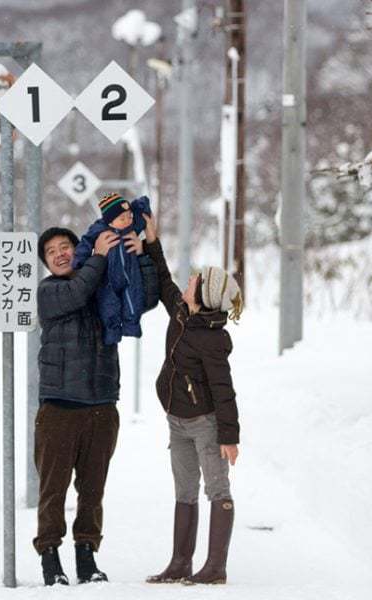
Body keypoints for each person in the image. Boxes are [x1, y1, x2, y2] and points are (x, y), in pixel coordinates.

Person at [33, 225, 159, 586]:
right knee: (53, 489)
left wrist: (142, 254)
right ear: (45, 262)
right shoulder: (50, 291)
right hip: (59, 407)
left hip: (102, 406)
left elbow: (144, 298)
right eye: (51, 251)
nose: (59, 254)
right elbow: (77, 292)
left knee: (92, 490)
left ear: (78, 250)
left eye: (65, 247)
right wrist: (100, 257)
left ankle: (87, 556)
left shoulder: (101, 284)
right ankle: (49, 558)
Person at [141, 214, 243, 586]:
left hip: (205, 423)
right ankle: (180, 563)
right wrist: (153, 241)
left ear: (203, 296)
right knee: (183, 490)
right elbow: (165, 279)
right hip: (176, 419)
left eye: (195, 281)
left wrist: (228, 437)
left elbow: (224, 390)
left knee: (217, 488)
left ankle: (215, 567)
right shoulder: (182, 313)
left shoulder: (213, 339)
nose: (188, 282)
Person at [72, 193, 152, 345]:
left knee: (134, 301)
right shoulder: (99, 230)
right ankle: (112, 332)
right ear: (110, 220)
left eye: (129, 216)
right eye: (122, 218)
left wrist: (141, 204)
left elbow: (141, 219)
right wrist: (79, 260)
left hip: (131, 276)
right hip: (107, 279)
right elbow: (85, 243)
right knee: (109, 305)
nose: (127, 220)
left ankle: (131, 326)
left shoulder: (131, 229)